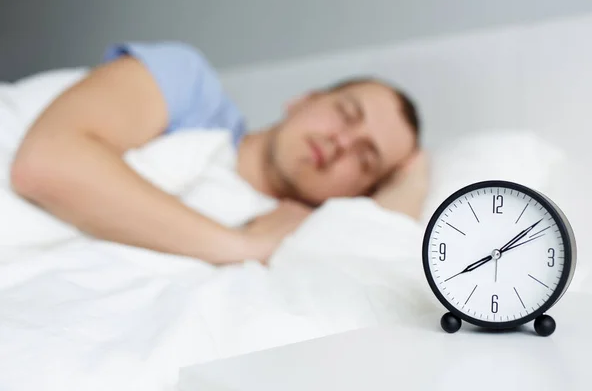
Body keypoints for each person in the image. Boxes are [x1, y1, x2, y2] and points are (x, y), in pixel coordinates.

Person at [9, 42, 429, 265]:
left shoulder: (295, 237)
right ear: (305, 99)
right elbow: (46, 163)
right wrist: (240, 247)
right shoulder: (191, 89)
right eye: (345, 114)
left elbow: (382, 250)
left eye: (365, 158)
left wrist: (415, 176)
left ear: (360, 192)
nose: (341, 143)